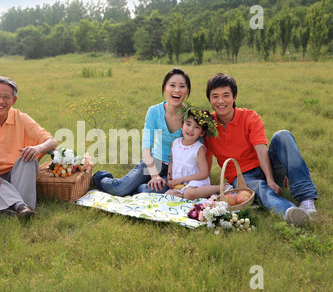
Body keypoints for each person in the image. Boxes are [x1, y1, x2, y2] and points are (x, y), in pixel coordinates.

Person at [203, 73, 318, 227]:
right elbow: (203, 157)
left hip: (267, 168)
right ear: (209, 100)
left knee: (283, 135)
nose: (221, 101)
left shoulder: (250, 117)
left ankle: (307, 201)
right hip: (242, 178)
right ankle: (291, 212)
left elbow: (261, 149)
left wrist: (270, 179)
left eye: (226, 95)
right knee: (260, 188)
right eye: (215, 96)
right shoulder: (208, 126)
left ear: (234, 96)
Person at [0, 76, 57, 218]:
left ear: (13, 100)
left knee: (28, 158)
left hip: (18, 176)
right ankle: (22, 208)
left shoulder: (21, 117)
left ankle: (10, 209)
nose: (1, 101)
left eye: (6, 97)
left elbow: (51, 142)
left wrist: (37, 148)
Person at [93, 68, 191, 196]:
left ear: (187, 91)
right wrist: (154, 175)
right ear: (164, 88)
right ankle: (100, 176)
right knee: (119, 189)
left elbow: (198, 151)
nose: (177, 90)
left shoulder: (192, 117)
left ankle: (136, 186)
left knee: (144, 192)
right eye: (172, 85)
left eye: (182, 86)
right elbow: (146, 146)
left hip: (176, 170)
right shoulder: (154, 111)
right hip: (154, 162)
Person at [166, 108, 231, 200]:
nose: (191, 129)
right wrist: (170, 179)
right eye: (188, 124)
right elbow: (172, 163)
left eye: (197, 127)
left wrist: (181, 180)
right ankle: (188, 197)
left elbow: (204, 173)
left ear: (202, 133)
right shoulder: (175, 143)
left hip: (196, 183)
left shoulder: (198, 148)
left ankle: (223, 187)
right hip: (181, 185)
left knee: (189, 193)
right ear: (182, 126)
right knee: (168, 195)